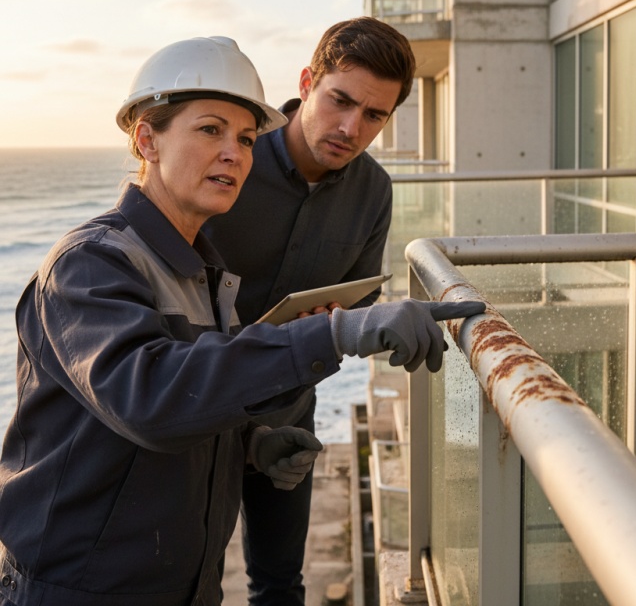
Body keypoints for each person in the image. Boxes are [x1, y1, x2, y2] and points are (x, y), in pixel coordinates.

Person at [0, 36, 484, 606]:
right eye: (210, 130)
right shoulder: (89, 264)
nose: (234, 153)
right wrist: (334, 333)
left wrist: (249, 445)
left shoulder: (207, 275)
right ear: (146, 139)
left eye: (246, 139)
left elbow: (183, 397)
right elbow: (153, 397)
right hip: (77, 588)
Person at [204, 17, 415, 606]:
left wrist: (328, 327)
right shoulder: (228, 163)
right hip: (196, 411)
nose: (351, 128)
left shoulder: (374, 191)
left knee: (279, 582)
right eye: (340, 101)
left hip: (288, 412)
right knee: (182, 582)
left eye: (374, 115)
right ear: (306, 82)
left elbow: (360, 298)